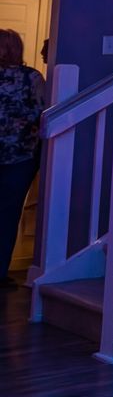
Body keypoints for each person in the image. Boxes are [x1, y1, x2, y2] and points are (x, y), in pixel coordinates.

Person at [0, 29, 44, 288]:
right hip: (20, 156)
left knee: (7, 213)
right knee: (7, 214)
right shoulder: (31, 78)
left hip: (20, 157)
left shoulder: (32, 77)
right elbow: (40, 112)